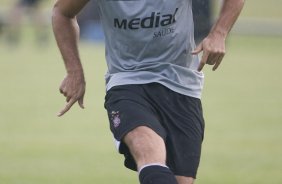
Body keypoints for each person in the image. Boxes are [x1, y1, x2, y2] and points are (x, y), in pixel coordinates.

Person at [52, 0, 244, 184]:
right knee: (148, 151)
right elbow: (61, 13)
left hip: (183, 86)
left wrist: (219, 33)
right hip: (127, 81)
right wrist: (74, 72)